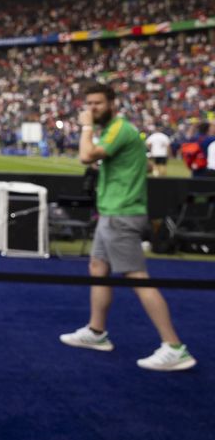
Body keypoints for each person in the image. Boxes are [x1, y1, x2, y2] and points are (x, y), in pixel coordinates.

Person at [59, 83, 196, 371]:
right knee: (97, 267)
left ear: (112, 103)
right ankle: (96, 331)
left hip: (122, 214)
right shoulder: (117, 130)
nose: (92, 109)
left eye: (97, 103)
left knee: (137, 277)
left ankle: (174, 346)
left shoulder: (118, 129)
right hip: (112, 211)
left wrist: (86, 127)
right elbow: (139, 165)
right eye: (88, 104)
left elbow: (85, 156)